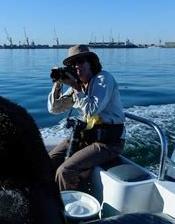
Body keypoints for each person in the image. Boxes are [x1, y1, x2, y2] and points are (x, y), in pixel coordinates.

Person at [47, 44, 125, 191]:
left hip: (108, 143)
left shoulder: (103, 79)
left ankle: (67, 208)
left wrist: (76, 89)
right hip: (85, 137)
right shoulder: (78, 86)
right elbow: (54, 108)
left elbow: (91, 110)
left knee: (65, 171)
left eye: (81, 61)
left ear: (91, 63)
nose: (77, 67)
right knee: (47, 162)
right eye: (73, 64)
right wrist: (58, 85)